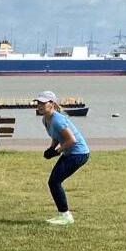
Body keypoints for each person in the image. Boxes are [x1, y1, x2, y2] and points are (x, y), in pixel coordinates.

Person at [34, 90, 90, 226]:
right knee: (53, 181)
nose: (40, 106)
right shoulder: (45, 119)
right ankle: (64, 215)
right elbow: (56, 135)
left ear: (52, 104)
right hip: (70, 153)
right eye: (38, 103)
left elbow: (72, 140)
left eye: (43, 103)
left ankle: (65, 216)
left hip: (79, 153)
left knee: (54, 182)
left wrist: (56, 152)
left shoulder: (57, 120)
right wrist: (51, 148)